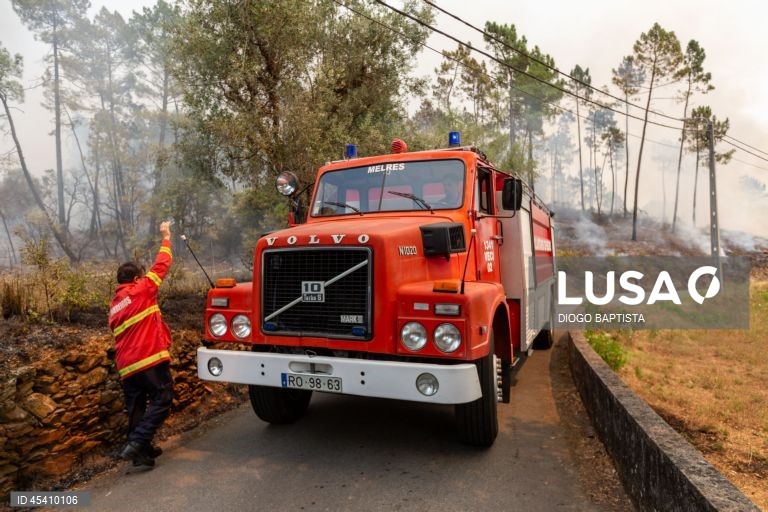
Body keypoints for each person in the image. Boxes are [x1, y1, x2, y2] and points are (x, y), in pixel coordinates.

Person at [108, 221, 174, 469]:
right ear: (136, 278)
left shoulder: (114, 306)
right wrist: (166, 236)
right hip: (147, 359)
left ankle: (141, 453)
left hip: (126, 367)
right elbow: (162, 264)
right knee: (163, 397)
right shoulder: (141, 289)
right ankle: (137, 441)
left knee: (136, 407)